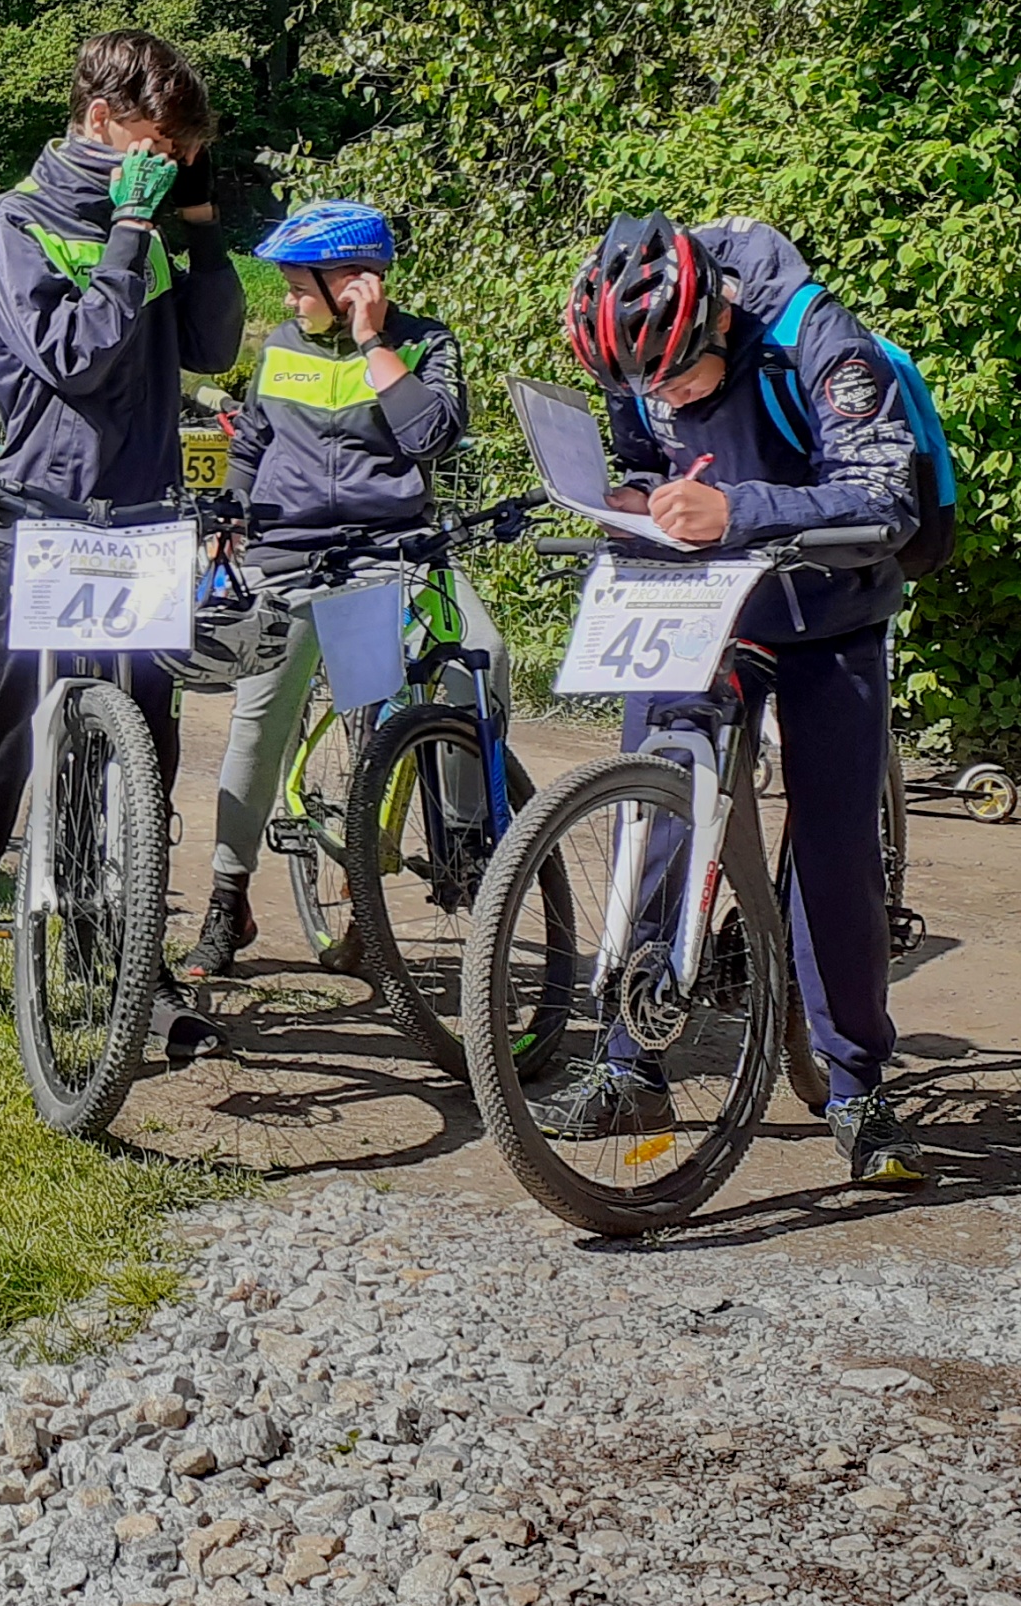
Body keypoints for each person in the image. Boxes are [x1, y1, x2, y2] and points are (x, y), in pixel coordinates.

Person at [549, 208, 925, 1186]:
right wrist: (634, 496)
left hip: (828, 607)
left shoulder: (817, 337)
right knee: (651, 815)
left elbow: (886, 495)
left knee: (835, 849)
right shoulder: (633, 354)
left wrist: (739, 508)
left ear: (718, 317)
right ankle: (628, 1064)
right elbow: (645, 453)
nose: (663, 397)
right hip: (704, 599)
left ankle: (858, 1085)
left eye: (678, 379)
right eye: (643, 385)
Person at [0, 29, 245, 1044]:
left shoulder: (144, 222)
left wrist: (198, 226)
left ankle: (130, 961)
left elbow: (213, 345)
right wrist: (131, 230)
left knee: (146, 744)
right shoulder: (14, 221)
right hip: (50, 520)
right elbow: (75, 359)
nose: (170, 160)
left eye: (184, 151)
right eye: (160, 142)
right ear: (101, 121)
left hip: (144, 521)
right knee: (9, 741)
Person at [186, 197, 509, 979]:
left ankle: (465, 841)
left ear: (355, 284)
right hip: (289, 556)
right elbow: (252, 444)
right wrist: (229, 517)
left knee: (483, 657)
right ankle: (228, 899)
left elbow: (432, 435)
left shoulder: (425, 344)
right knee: (260, 724)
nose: (289, 300)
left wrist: (372, 343)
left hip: (390, 555)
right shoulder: (280, 349)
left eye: (301, 287)